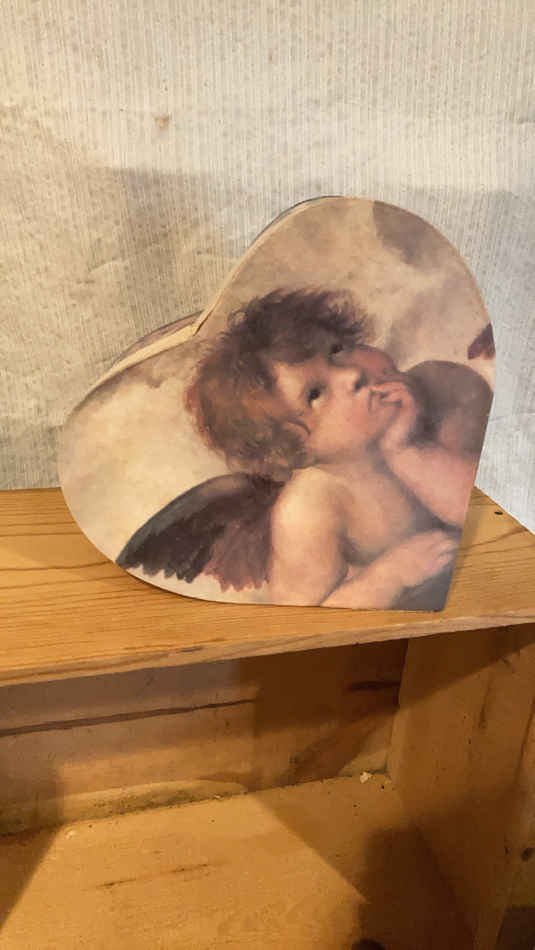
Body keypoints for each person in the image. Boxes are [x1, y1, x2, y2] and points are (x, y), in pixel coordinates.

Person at [180, 288, 492, 609]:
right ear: (296, 451)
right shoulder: (312, 507)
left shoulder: (445, 387)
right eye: (315, 394)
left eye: (337, 349)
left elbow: (485, 511)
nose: (352, 374)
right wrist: (388, 576)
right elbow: (299, 616)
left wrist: (408, 451)